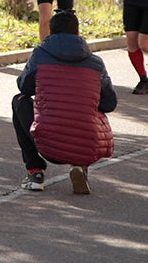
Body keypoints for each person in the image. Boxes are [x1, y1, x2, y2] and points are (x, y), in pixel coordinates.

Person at [12, 11, 117, 194]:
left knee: (19, 101)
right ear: (77, 33)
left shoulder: (40, 55)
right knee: (89, 107)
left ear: (50, 32)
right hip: (87, 145)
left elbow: (24, 87)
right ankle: (79, 165)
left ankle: (35, 173)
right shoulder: (95, 63)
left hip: (47, 143)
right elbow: (110, 103)